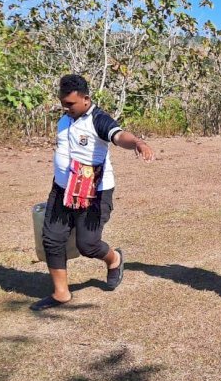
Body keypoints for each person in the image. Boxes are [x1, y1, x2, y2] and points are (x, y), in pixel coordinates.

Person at [31, 74, 155, 311]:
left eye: (70, 104)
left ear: (86, 98)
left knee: (87, 244)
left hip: (95, 193)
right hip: (62, 190)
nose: (65, 108)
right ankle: (61, 293)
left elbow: (118, 135)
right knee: (52, 238)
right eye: (63, 103)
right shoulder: (65, 120)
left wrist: (138, 143)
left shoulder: (98, 119)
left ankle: (115, 259)